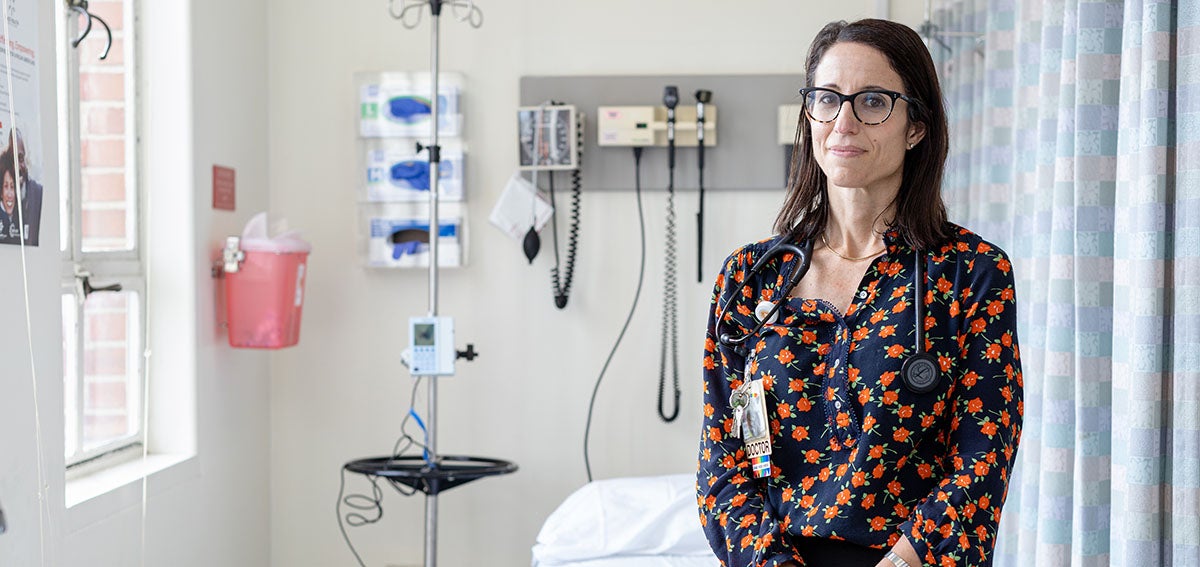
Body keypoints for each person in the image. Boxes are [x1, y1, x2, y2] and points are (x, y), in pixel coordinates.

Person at [697, 19, 1023, 567]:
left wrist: (903, 562)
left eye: (873, 101)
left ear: (916, 126)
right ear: (810, 114)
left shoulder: (971, 272)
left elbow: (983, 455)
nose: (844, 122)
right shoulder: (751, 277)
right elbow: (720, 463)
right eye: (828, 99)